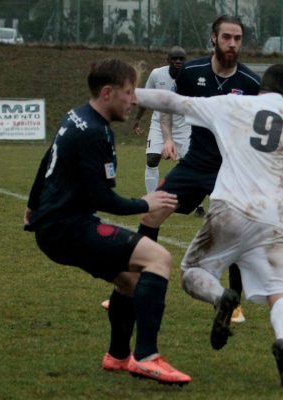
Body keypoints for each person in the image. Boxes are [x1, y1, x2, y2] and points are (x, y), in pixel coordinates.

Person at [135, 63, 283, 388]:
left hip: (230, 210)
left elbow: (174, 102)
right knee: (282, 294)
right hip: (276, 222)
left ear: (263, 87)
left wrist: (131, 94)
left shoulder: (232, 103)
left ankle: (220, 297)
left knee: (192, 273)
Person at [23, 59, 191, 386]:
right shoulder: (96, 134)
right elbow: (103, 200)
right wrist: (147, 203)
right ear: (106, 93)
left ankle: (117, 356)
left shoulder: (77, 116)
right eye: (128, 93)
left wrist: (32, 205)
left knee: (129, 280)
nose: (133, 100)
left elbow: (47, 160)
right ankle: (146, 357)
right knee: (158, 259)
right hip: (67, 228)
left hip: (56, 225)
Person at [133, 15, 261, 325]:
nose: (232, 44)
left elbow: (260, 132)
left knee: (236, 231)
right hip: (196, 163)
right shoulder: (191, 73)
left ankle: (233, 303)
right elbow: (168, 105)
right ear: (214, 38)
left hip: (232, 169)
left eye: (238, 38)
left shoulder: (251, 82)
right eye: (227, 37)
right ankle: (132, 288)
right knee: (151, 212)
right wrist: (166, 139)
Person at [132, 46, 191, 194]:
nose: (178, 61)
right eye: (175, 58)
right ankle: (151, 199)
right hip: (159, 124)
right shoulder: (157, 74)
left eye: (181, 59)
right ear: (168, 60)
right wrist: (137, 119)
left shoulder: (191, 76)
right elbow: (146, 97)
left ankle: (198, 204)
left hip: (183, 126)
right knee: (152, 159)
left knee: (191, 164)